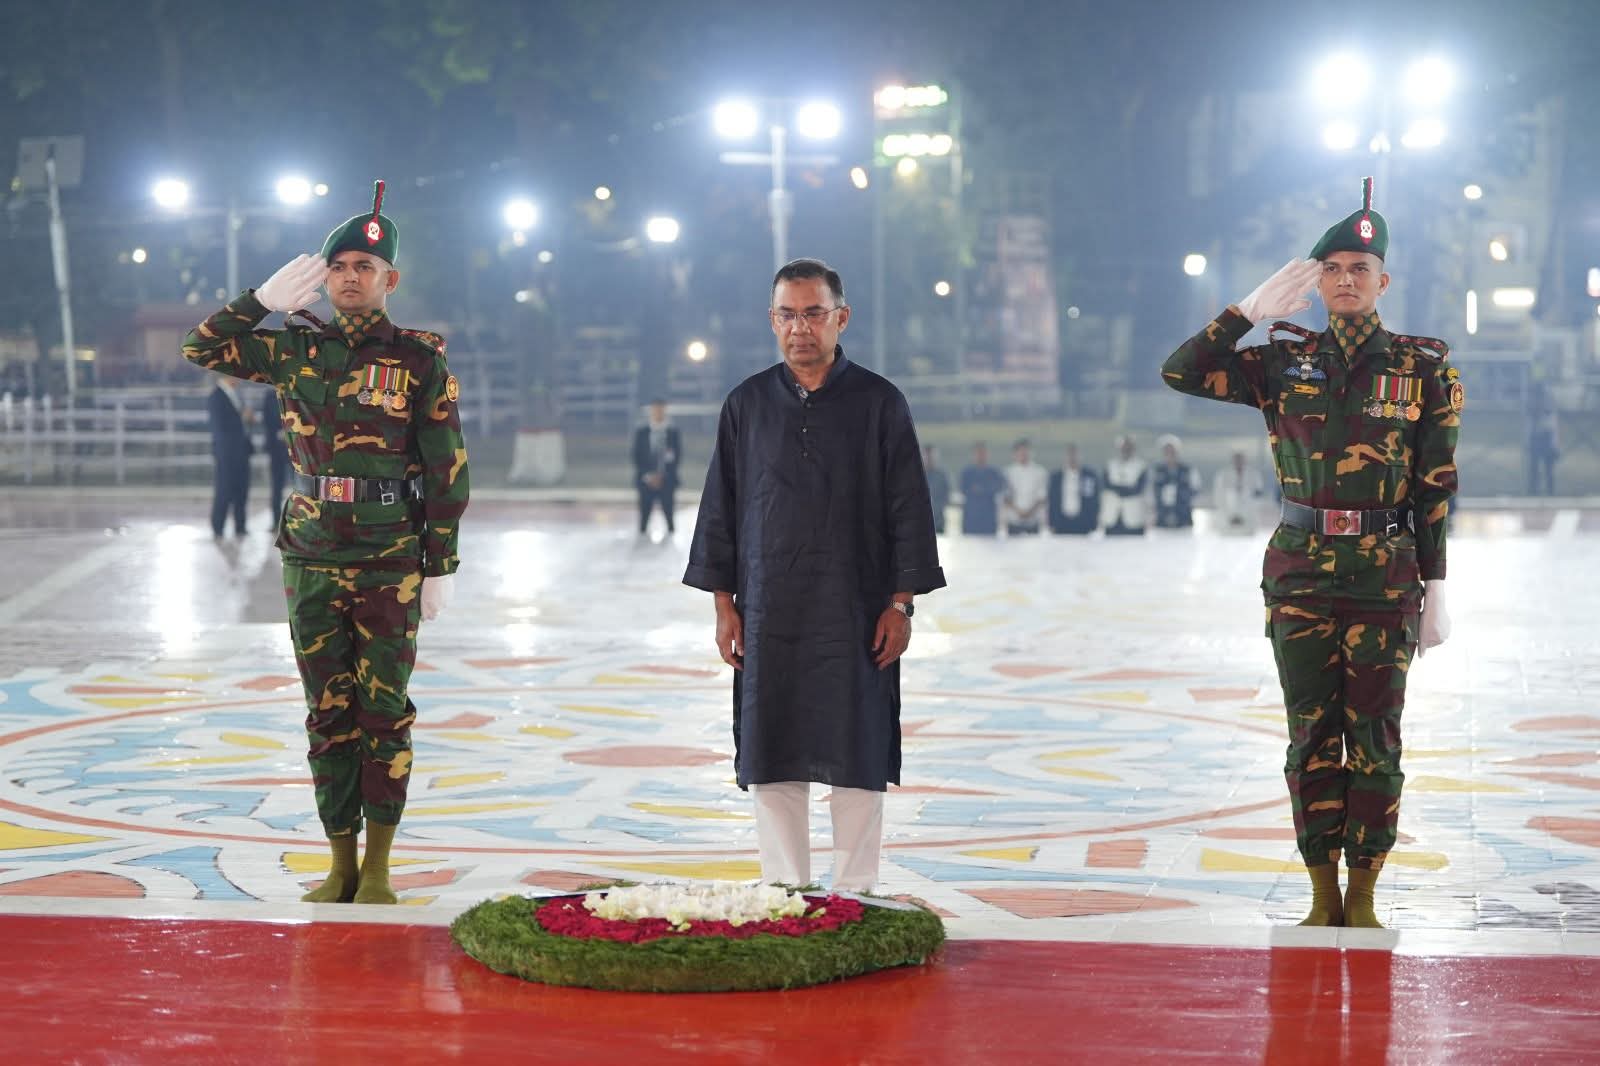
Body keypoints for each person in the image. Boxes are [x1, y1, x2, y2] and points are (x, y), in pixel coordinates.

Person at [1160, 177, 1460, 928]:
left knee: (1376, 741)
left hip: (1384, 578)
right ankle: (1321, 892)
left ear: (1384, 281)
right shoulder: (1281, 364)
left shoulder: (1422, 370)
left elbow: (1435, 486)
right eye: (1332, 269)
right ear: (1317, 283)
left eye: (1360, 269)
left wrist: (1437, 587)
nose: (1346, 280)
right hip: (1299, 575)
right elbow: (1180, 371)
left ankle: (1364, 894)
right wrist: (1245, 312)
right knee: (1310, 739)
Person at [182, 181, 470, 905]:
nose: (348, 277)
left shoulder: (417, 359)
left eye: (363, 267)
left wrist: (440, 562)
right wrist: (259, 301)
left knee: (384, 712)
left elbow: (446, 465)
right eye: (337, 266)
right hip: (311, 553)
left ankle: (378, 868)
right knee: (327, 714)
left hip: (389, 557)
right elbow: (200, 346)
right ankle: (339, 862)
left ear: (389, 280)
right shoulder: (293, 349)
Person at [684, 258, 945, 892]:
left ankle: (858, 895)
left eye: (813, 313)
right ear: (771, 320)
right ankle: (785, 893)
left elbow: (909, 508)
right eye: (787, 315)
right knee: (771, 749)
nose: (800, 328)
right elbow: (721, 510)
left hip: (856, 613)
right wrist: (724, 606)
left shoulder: (880, 403)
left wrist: (901, 605)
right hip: (769, 612)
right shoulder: (746, 404)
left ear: (841, 318)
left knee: (857, 750)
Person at [205, 378, 253, 538]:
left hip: (242, 451)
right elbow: (219, 428)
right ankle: (218, 527)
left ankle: (240, 526)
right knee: (224, 490)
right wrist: (241, 418)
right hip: (227, 453)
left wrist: (247, 419)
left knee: (241, 489)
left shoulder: (237, 394)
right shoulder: (216, 396)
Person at [632, 398, 682, 536]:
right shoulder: (641, 432)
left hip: (667, 481)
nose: (658, 413)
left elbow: (677, 457)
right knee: (644, 519)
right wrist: (649, 476)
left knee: (670, 519)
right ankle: (641, 544)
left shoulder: (672, 433)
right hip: (646, 481)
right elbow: (636, 456)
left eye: (660, 410)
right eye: (655, 410)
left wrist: (662, 476)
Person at [1048, 443, 1101, 535]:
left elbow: (1095, 499)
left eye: (1075, 454)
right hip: (1061, 522)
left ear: (1080, 456)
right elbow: (1052, 501)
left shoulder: (1089, 475)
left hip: (1083, 522)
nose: (1072, 458)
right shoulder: (1056, 476)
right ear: (1065, 457)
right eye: (1070, 455)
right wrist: (1051, 523)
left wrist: (1094, 523)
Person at [1102, 435, 1148, 535]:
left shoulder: (1141, 466)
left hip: (1134, 519)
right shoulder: (1110, 465)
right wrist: (1125, 488)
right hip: (1112, 518)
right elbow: (1106, 485)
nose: (1126, 450)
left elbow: (1139, 488)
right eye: (1124, 448)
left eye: (1129, 448)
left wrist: (1118, 489)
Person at [1001, 438, 1048, 536]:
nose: (1023, 454)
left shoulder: (1040, 472)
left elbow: (1042, 497)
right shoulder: (1008, 472)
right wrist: (1018, 511)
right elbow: (1006, 497)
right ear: (1015, 453)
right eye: (1020, 451)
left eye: (1026, 451)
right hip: (1013, 521)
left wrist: (1029, 512)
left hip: (1033, 522)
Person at [1152, 434, 1200, 529]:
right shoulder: (1157, 471)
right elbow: (1151, 492)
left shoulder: (1188, 470)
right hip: (1162, 517)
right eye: (1167, 451)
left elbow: (1196, 489)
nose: (1170, 454)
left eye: (1172, 451)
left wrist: (1182, 497)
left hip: (1184, 517)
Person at [260, 385, 291, 530]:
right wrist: (280, 433)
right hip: (276, 449)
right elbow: (267, 421)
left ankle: (298, 521)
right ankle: (276, 522)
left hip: (295, 448)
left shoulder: (295, 392)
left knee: (300, 485)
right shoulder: (269, 396)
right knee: (276, 486)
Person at [1214, 447, 1265, 533]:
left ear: (1245, 459)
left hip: (1249, 515)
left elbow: (1259, 495)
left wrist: (1250, 508)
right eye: (1236, 458)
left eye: (1241, 458)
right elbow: (1218, 495)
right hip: (1227, 516)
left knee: (1247, 535)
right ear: (1232, 460)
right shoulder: (1223, 474)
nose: (1239, 461)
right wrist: (1226, 511)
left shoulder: (1254, 474)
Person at [959, 443, 1006, 536]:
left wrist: (981, 489)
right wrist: (986, 489)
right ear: (973, 455)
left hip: (989, 517)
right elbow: (963, 489)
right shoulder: (967, 473)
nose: (980, 456)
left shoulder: (994, 472)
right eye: (978, 453)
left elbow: (999, 487)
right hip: (971, 517)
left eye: (983, 453)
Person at [1526, 382, 1559, 496]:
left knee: (1548, 467)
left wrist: (1554, 443)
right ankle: (1533, 490)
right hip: (1536, 437)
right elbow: (1529, 425)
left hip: (1546, 436)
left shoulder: (1548, 409)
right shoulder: (1532, 409)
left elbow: (1553, 425)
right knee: (1534, 467)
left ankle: (1550, 491)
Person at [923, 445, 951, 535]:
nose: (929, 458)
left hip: (938, 522)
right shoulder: (916, 476)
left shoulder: (941, 476)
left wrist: (937, 507)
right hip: (920, 523)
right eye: (927, 455)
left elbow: (946, 496)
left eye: (931, 456)